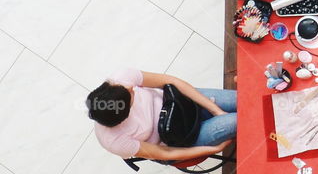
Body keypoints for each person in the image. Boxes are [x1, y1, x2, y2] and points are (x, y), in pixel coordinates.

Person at [86, 68, 235, 161]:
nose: (131, 87)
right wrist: (215, 149)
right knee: (235, 121)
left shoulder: (120, 79)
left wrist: (215, 110)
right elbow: (166, 153)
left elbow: (170, 81)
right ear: (126, 114)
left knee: (241, 100)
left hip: (185, 101)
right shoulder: (114, 141)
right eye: (130, 94)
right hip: (184, 137)